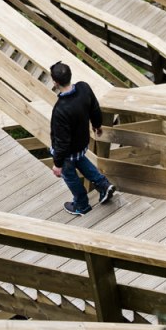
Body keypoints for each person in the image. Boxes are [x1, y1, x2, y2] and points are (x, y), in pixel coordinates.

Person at [48, 61, 116, 215]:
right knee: (80, 160)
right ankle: (103, 185)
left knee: (70, 175)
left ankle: (81, 204)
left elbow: (61, 141)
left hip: (67, 151)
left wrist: (57, 164)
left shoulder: (60, 109)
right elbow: (95, 108)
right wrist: (97, 125)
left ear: (55, 82)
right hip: (81, 143)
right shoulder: (84, 88)